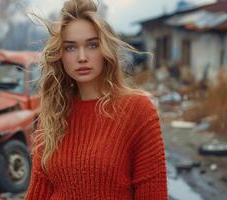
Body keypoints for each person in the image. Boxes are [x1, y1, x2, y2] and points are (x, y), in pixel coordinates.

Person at [25, 0, 167, 199]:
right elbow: (38, 193)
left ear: (105, 50)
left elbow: (152, 194)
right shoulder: (53, 114)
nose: (82, 57)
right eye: (70, 47)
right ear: (60, 55)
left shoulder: (138, 110)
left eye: (92, 45)